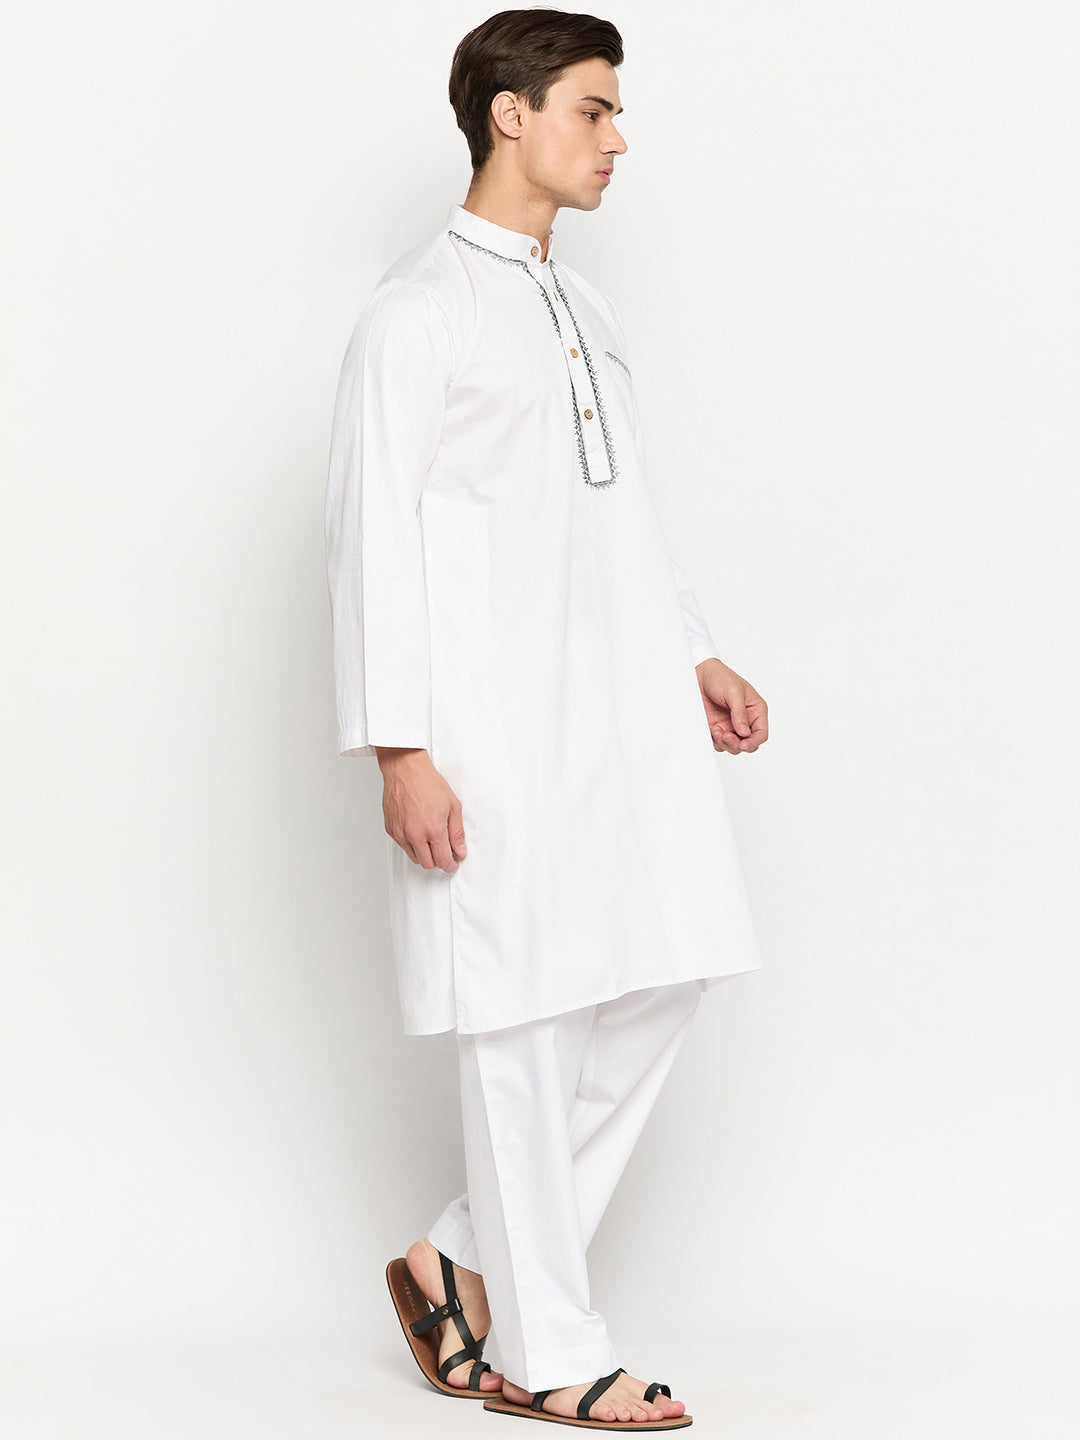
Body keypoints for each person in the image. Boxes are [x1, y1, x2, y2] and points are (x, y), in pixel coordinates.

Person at [323, 9, 768, 1430]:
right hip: (486, 725)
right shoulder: (417, 314)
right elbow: (370, 541)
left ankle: (458, 1255)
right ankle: (556, 1348)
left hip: (615, 708)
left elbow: (618, 505)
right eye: (594, 108)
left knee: (668, 964)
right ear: (509, 115)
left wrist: (694, 651)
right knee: (520, 1018)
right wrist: (400, 749)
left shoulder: (586, 311)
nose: (618, 138)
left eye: (615, 111)